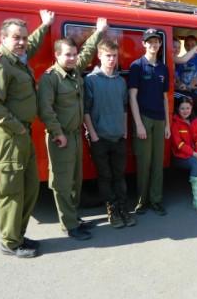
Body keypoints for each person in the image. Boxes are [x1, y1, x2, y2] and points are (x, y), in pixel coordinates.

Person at [0, 10, 55, 258]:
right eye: (16, 37)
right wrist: (19, 127)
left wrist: (44, 26)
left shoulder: (17, 58)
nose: (22, 41)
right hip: (10, 135)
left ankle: (18, 234)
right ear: (3, 38)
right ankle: (10, 242)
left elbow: (31, 45)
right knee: (13, 191)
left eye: (24, 37)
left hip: (20, 134)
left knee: (30, 186)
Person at [37, 18, 108, 240]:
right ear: (57, 55)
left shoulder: (75, 70)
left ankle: (74, 217)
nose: (72, 57)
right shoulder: (51, 78)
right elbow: (45, 110)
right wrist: (58, 133)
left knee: (76, 180)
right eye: (67, 54)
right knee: (62, 182)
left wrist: (98, 32)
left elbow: (87, 52)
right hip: (62, 138)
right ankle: (69, 225)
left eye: (73, 54)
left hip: (76, 136)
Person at [83, 39, 136, 229]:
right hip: (100, 139)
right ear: (99, 56)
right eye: (108, 56)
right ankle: (112, 210)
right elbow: (85, 110)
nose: (112, 60)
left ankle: (123, 208)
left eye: (114, 56)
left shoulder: (121, 81)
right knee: (105, 177)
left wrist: (124, 132)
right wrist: (94, 136)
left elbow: (124, 108)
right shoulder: (90, 80)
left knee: (120, 176)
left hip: (118, 137)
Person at [129, 28, 170, 216]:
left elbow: (165, 98)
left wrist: (168, 124)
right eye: (150, 41)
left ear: (160, 44)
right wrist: (138, 124)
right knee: (144, 163)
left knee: (157, 163)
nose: (154, 45)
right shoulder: (137, 66)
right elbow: (132, 96)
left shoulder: (163, 68)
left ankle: (156, 200)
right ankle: (141, 201)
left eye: (157, 42)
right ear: (144, 43)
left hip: (160, 119)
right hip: (144, 118)